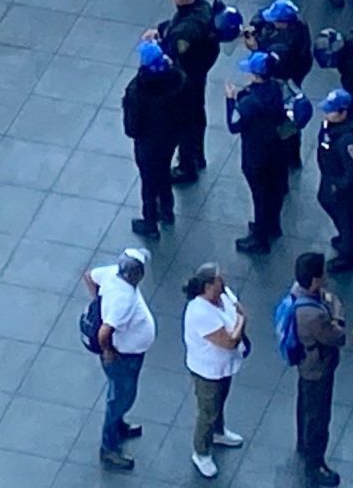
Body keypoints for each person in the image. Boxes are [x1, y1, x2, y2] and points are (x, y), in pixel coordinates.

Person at [83, 246, 156, 472]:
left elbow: (89, 276)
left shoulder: (113, 273)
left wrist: (98, 302)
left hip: (129, 352)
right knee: (120, 398)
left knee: (121, 396)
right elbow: (104, 332)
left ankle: (119, 427)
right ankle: (109, 448)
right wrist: (108, 352)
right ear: (137, 274)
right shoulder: (122, 299)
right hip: (124, 357)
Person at [227, 49, 295, 254]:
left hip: (256, 154)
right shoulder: (279, 88)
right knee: (275, 191)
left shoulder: (248, 103)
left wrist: (230, 100)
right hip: (278, 149)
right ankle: (272, 225)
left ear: (256, 75)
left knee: (260, 194)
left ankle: (260, 238)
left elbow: (234, 125)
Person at [158, 0, 222, 184]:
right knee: (197, 112)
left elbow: (175, 49)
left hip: (188, 76)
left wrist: (161, 41)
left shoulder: (189, 28)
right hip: (197, 71)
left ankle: (187, 166)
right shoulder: (202, 10)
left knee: (186, 119)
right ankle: (197, 155)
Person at [183, 264, 247, 477]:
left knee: (219, 402)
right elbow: (229, 341)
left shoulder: (223, 294)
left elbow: (237, 307)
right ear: (208, 285)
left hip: (223, 367)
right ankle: (201, 452)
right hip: (208, 372)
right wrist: (241, 321)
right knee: (207, 412)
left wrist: (239, 321)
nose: (224, 281)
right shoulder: (200, 312)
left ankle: (218, 433)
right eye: (220, 278)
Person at [289, 249, 345, 488]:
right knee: (318, 415)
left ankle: (303, 443)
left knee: (305, 404)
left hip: (304, 364)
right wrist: (338, 311)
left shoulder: (296, 292)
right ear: (314, 280)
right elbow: (337, 337)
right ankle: (315, 464)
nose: (325, 276)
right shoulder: (313, 316)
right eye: (321, 274)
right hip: (318, 368)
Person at [122, 37, 185, 238]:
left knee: (148, 182)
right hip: (170, 138)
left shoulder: (137, 90)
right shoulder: (177, 79)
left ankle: (150, 223)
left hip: (147, 143)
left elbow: (131, 127)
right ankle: (167, 210)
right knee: (164, 172)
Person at [316, 91, 353, 273]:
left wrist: (339, 186)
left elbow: (351, 171)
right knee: (325, 202)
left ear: (343, 113)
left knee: (346, 219)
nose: (326, 114)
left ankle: (348, 256)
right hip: (329, 176)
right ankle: (344, 237)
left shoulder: (349, 139)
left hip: (340, 186)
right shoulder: (332, 125)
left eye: (331, 111)